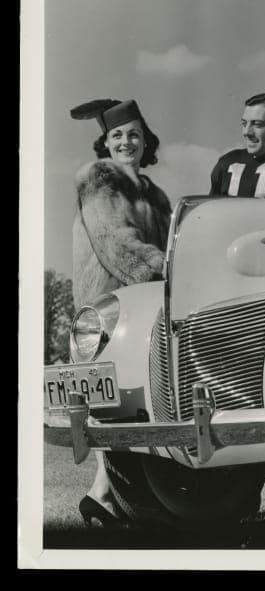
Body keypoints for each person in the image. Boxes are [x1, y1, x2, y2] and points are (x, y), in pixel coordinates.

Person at [70, 98, 172, 528]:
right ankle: (102, 493)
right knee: (114, 399)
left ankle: (104, 494)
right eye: (117, 136)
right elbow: (115, 241)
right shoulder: (100, 180)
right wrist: (165, 275)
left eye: (134, 134)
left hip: (145, 300)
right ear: (105, 144)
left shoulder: (155, 192)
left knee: (133, 399)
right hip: (111, 300)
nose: (126, 142)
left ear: (145, 140)